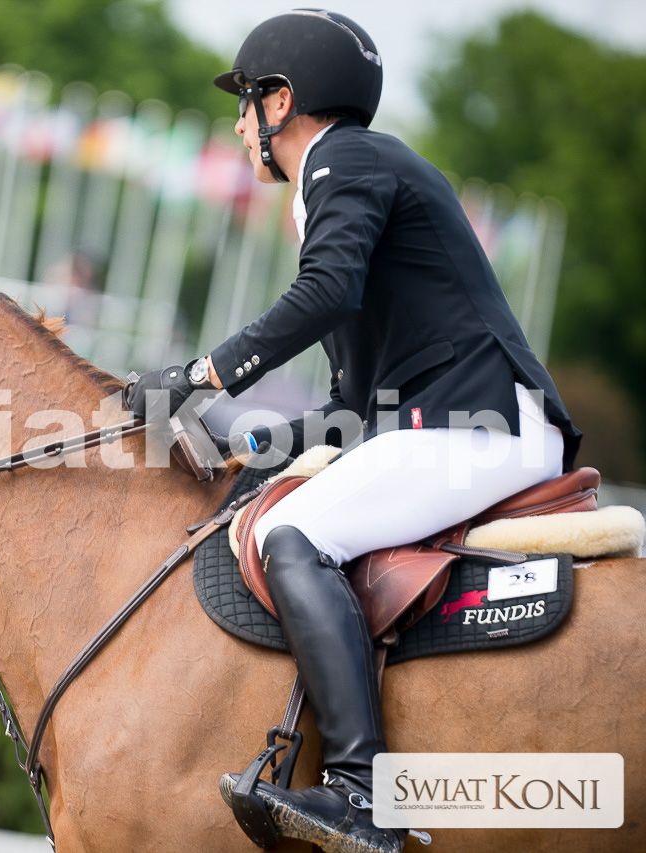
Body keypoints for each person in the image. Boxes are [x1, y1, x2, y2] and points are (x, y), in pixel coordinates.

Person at [123, 9, 581, 853]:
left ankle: (363, 793)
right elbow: (354, 406)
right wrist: (251, 446)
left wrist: (198, 375)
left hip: (476, 421)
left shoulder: (345, 160)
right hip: (447, 419)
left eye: (245, 104)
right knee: (283, 500)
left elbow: (326, 292)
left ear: (281, 101)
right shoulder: (348, 183)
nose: (239, 126)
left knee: (294, 534)